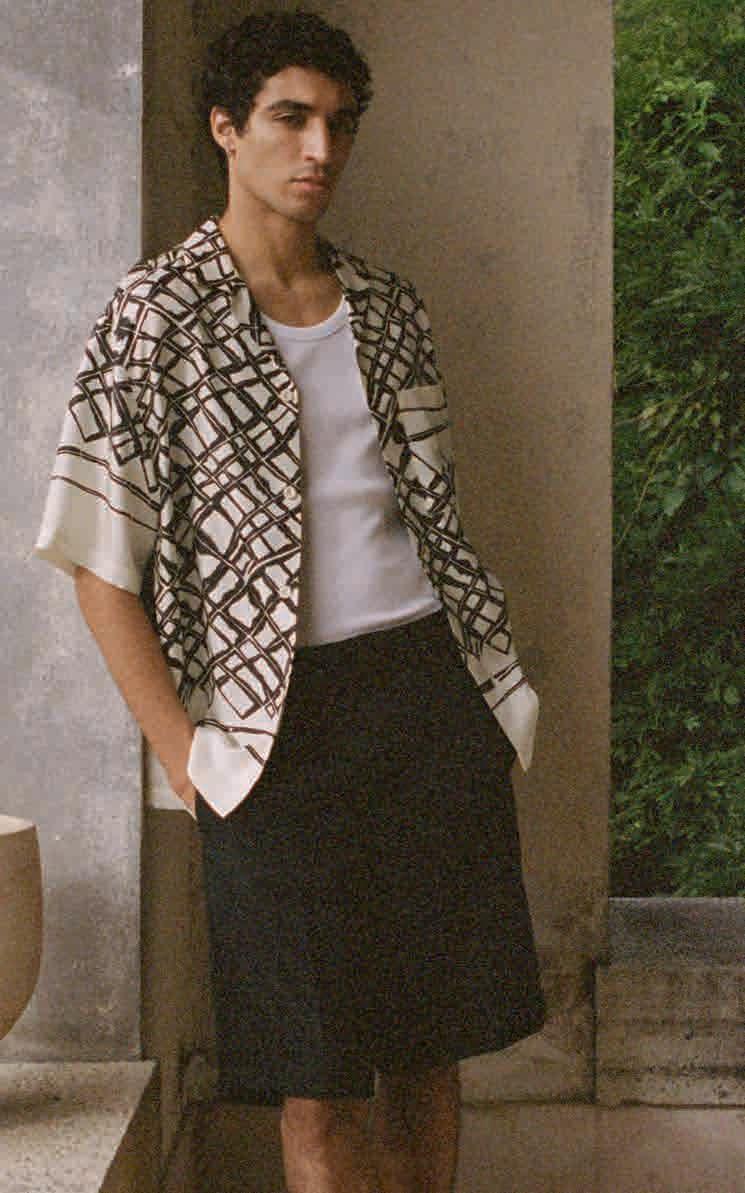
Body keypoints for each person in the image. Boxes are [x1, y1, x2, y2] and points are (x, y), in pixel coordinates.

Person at [35, 10, 545, 1192]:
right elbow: (100, 563)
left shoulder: (389, 307)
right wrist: (183, 750)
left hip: (425, 694)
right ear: (226, 127)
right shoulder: (156, 316)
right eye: (290, 118)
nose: (320, 148)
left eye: (339, 124)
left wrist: (481, 699)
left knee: (427, 1051)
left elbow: (431, 516)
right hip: (271, 729)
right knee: (315, 1077)